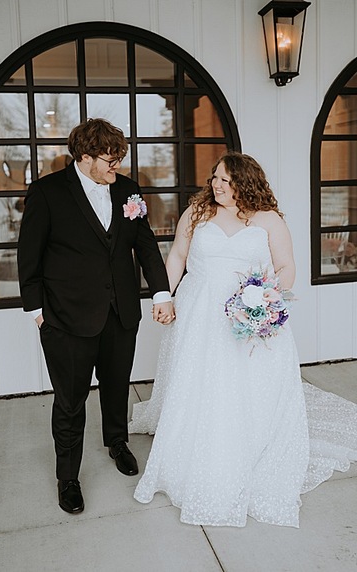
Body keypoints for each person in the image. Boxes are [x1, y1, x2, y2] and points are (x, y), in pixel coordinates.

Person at [130, 151, 357, 527]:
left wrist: (268, 298)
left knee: (246, 384)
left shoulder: (268, 219)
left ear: (245, 183)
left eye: (226, 180)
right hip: (199, 311)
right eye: (215, 177)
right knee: (199, 382)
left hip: (249, 313)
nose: (217, 185)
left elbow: (285, 266)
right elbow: (178, 257)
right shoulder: (197, 211)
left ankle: (246, 443)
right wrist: (163, 297)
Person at [17, 118, 174, 514]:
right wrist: (38, 312)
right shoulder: (47, 192)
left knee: (117, 385)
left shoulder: (127, 190)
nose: (116, 166)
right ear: (85, 157)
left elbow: (146, 246)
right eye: (109, 159)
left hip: (121, 313)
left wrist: (161, 292)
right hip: (65, 317)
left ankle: (117, 442)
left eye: (119, 158)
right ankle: (68, 477)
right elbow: (28, 256)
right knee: (70, 401)